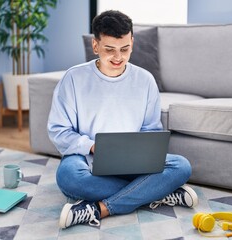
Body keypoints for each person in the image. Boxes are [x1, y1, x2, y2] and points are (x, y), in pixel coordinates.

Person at [47, 10, 198, 229]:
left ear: (132, 43)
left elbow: (151, 130)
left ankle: (101, 209)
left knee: (181, 166)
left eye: (125, 49)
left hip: (134, 163)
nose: (118, 57)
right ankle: (158, 191)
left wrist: (142, 151)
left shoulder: (145, 80)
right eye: (110, 49)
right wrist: (92, 147)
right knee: (69, 179)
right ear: (95, 46)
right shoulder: (73, 78)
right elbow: (59, 131)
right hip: (86, 160)